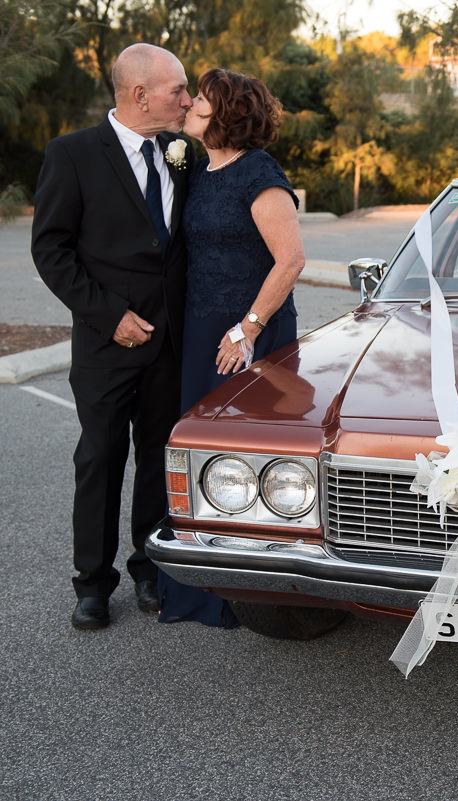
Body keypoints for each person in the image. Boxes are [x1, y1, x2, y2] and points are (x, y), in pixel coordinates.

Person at [31, 43, 194, 631]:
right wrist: (109, 315)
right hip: (107, 342)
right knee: (100, 457)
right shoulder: (72, 154)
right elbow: (51, 249)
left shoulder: (184, 155)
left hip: (171, 341)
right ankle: (92, 584)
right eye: (178, 89)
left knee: (157, 458)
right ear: (139, 94)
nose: (187, 98)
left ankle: (149, 568)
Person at [158, 67, 306, 626]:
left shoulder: (260, 174)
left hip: (251, 332)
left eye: (203, 96)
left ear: (228, 110)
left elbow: (290, 260)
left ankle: (254, 586)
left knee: (247, 452)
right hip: (201, 328)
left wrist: (246, 327)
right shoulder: (195, 169)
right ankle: (199, 585)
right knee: (198, 445)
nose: (192, 101)